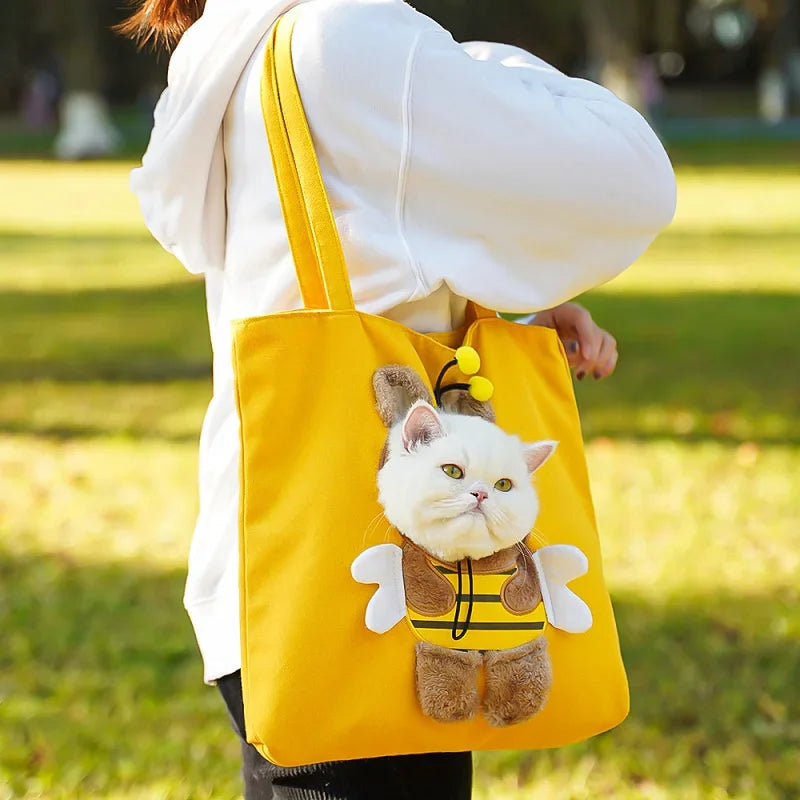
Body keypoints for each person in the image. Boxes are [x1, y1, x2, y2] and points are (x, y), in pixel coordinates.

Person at [121, 0, 676, 797]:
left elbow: (357, 245)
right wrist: (483, 63)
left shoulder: (238, 48)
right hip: (366, 587)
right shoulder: (351, 34)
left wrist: (498, 305)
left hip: (281, 570)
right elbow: (632, 178)